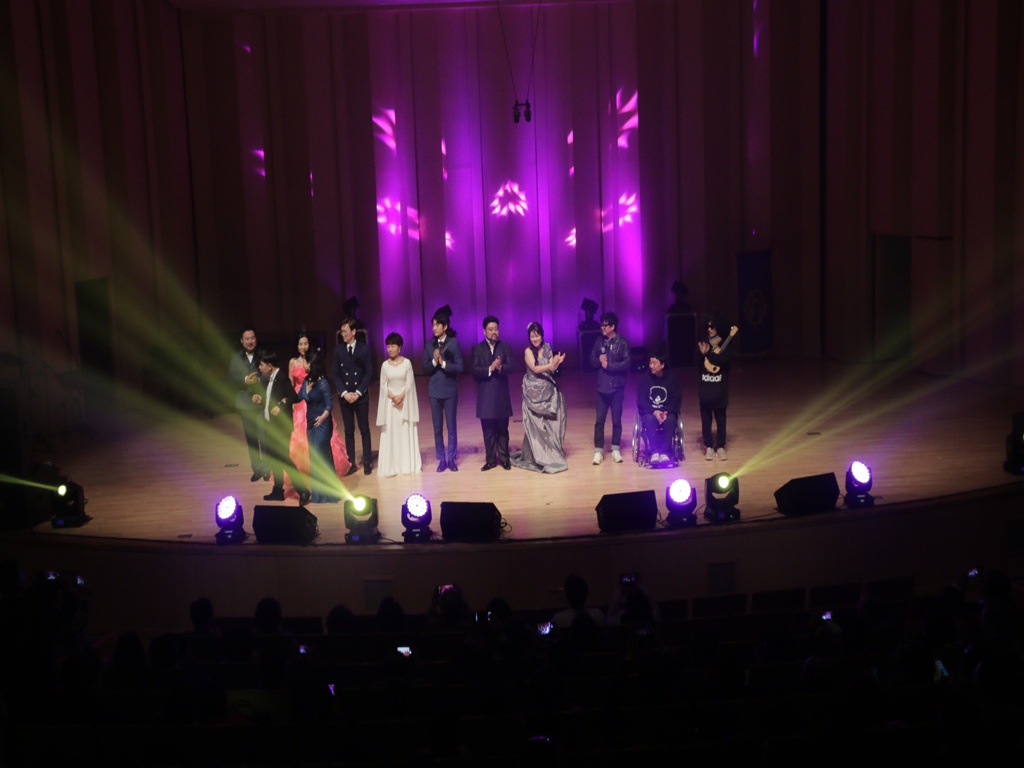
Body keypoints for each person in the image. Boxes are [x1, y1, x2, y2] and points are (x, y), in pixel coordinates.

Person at [288, 332, 351, 490]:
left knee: (321, 436)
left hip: (315, 400)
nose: (303, 346)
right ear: (296, 346)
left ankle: (322, 470)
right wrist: (289, 400)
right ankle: (306, 468)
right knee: (299, 434)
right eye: (300, 344)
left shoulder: (314, 360)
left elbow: (326, 394)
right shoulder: (293, 362)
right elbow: (291, 382)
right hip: (300, 397)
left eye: (306, 343)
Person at [253, 351, 309, 504]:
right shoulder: (269, 380)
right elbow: (272, 399)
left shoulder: (282, 379)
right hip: (271, 427)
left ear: (270, 366)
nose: (259, 368)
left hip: (281, 429)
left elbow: (294, 397)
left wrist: (281, 405)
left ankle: (303, 491)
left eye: (261, 365)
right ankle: (278, 491)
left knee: (284, 459)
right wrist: (261, 400)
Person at [511, 322, 567, 473]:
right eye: (532, 336)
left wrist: (556, 363)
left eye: (537, 335)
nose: (535, 339)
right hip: (533, 392)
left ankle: (550, 453)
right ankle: (537, 456)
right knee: (535, 425)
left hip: (548, 390)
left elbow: (552, 369)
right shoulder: (528, 351)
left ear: (542, 335)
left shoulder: (547, 348)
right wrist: (551, 365)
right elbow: (535, 368)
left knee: (550, 424)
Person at [296, 352, 342, 502]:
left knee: (322, 454)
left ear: (311, 364)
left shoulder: (322, 382)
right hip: (310, 423)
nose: (303, 364)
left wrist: (322, 417)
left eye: (305, 362)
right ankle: (319, 494)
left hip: (322, 423)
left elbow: (329, 404)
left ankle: (330, 492)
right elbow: (298, 397)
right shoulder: (306, 381)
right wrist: (283, 397)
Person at [471, 315, 515, 471]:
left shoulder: (505, 347)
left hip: (501, 395)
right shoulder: (477, 349)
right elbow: (474, 371)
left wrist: (500, 367)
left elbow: (512, 367)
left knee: (503, 430)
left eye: (496, 328)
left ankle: (504, 459)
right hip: (485, 396)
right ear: (484, 331)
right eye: (490, 329)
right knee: (488, 431)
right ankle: (490, 460)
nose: (494, 332)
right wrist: (490, 368)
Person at [422, 307, 463, 472]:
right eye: (433, 325)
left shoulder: (453, 344)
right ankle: (441, 459)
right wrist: (434, 361)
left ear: (445, 327)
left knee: (451, 427)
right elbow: (425, 368)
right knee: (437, 428)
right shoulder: (429, 345)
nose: (434, 328)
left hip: (450, 390)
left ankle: (451, 458)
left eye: (437, 325)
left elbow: (460, 367)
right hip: (434, 392)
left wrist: (443, 364)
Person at [376, 332, 422, 476]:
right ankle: (392, 466)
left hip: (404, 403)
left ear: (399, 347)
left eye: (393, 346)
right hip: (391, 405)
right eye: (388, 346)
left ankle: (406, 465)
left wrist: (401, 397)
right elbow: (383, 385)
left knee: (403, 432)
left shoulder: (407, 363)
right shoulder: (384, 365)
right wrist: (393, 397)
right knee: (392, 434)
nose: (390, 349)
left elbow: (410, 383)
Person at [333, 318, 374, 475]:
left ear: (353, 331)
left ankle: (367, 461)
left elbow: (368, 373)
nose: (343, 334)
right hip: (345, 398)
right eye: (342, 331)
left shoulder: (364, 349)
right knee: (348, 431)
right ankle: (350, 462)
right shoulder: (338, 350)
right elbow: (336, 374)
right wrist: (344, 393)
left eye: (345, 331)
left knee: (364, 429)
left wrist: (358, 392)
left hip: (360, 397)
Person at [590, 311, 630, 465]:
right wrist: (598, 360)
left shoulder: (622, 342)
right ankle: (598, 451)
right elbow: (592, 360)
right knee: (599, 420)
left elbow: (626, 363)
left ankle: (615, 448)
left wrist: (609, 365)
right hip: (602, 387)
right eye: (601, 325)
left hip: (617, 387)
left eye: (605, 325)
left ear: (613, 326)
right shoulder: (599, 341)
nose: (602, 328)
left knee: (616, 420)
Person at [228, 325, 266, 482]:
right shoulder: (236, 357)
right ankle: (257, 469)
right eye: (247, 338)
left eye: (252, 338)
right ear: (241, 341)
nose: (250, 341)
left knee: (264, 437)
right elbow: (231, 378)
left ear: (256, 339)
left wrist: (257, 380)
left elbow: (270, 374)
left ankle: (267, 469)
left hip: (261, 401)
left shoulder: (263, 354)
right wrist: (245, 380)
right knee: (251, 439)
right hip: (245, 403)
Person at [696, 316, 736, 460]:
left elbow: (724, 359)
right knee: (706, 421)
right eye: (707, 326)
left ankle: (720, 446)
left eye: (712, 326)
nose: (709, 329)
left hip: (720, 390)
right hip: (706, 389)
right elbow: (697, 363)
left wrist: (708, 354)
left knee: (721, 421)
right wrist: (701, 355)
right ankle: (708, 446)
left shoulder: (725, 344)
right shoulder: (702, 343)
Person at [637, 350, 681, 464]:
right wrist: (654, 411)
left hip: (667, 411)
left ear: (662, 365)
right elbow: (641, 401)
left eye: (654, 363)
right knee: (649, 419)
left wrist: (666, 411)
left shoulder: (672, 379)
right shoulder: (645, 379)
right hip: (650, 412)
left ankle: (665, 452)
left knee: (671, 420)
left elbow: (676, 400)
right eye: (650, 363)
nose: (651, 366)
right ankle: (654, 451)